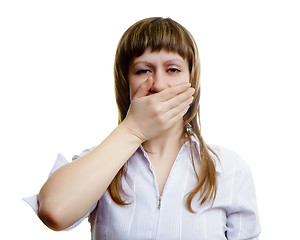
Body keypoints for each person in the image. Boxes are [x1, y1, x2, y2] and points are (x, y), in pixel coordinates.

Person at [24, 17, 261, 239]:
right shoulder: (101, 163)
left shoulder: (230, 170)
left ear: (192, 81)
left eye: (173, 69)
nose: (158, 84)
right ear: (125, 82)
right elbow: (54, 211)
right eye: (143, 71)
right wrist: (133, 129)